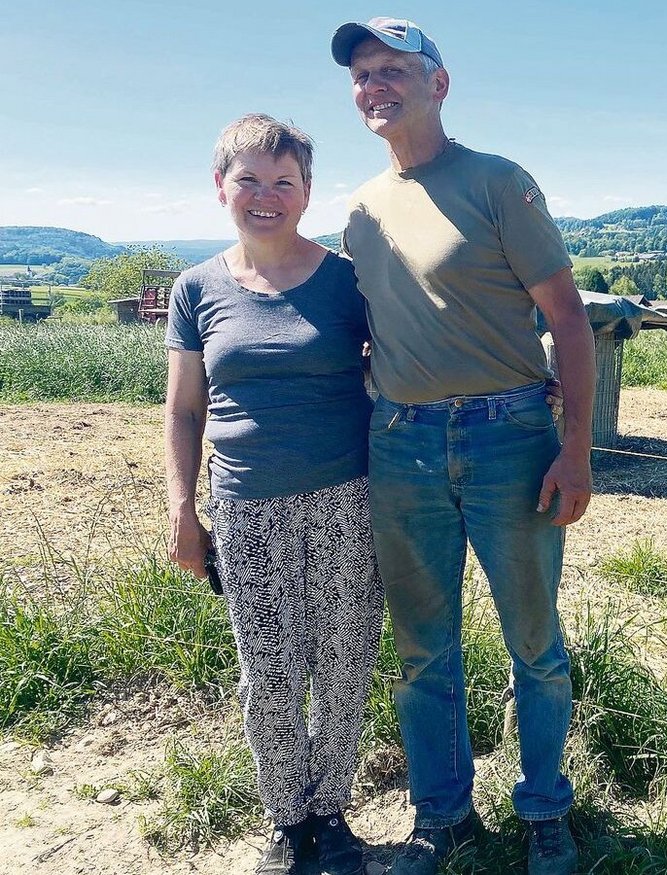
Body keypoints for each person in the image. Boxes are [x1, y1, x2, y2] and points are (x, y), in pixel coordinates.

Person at [329, 16, 596, 875]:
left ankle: (545, 809)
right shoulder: (359, 211)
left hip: (509, 437)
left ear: (438, 85)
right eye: (363, 73)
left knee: (533, 638)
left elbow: (569, 317)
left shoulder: (496, 182)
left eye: (394, 69)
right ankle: (443, 817)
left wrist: (577, 446)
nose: (376, 85)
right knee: (422, 646)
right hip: (400, 444)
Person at [164, 114, 383, 875]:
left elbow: (405, 357)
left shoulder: (347, 281)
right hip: (247, 507)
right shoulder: (197, 289)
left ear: (307, 191)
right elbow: (184, 409)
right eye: (249, 180)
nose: (266, 196)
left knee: (347, 658)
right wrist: (182, 510)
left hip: (347, 497)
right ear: (220, 186)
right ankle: (287, 819)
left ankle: (333, 812)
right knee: (269, 673)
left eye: (283, 181)